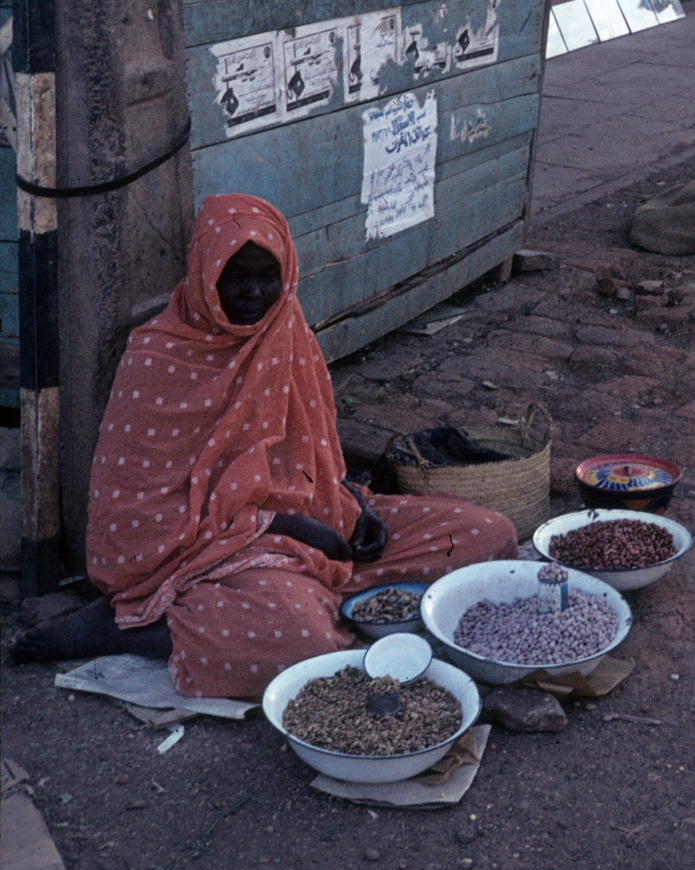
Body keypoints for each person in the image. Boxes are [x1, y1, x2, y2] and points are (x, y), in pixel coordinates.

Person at [13, 195, 516, 697]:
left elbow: (314, 457)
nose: (254, 292)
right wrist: (282, 525)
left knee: (487, 537)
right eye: (236, 278)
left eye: (266, 276)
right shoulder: (158, 357)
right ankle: (136, 629)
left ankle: (327, 595)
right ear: (205, 274)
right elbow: (137, 521)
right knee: (304, 644)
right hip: (224, 555)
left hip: (322, 525)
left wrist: (354, 504)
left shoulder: (286, 326)